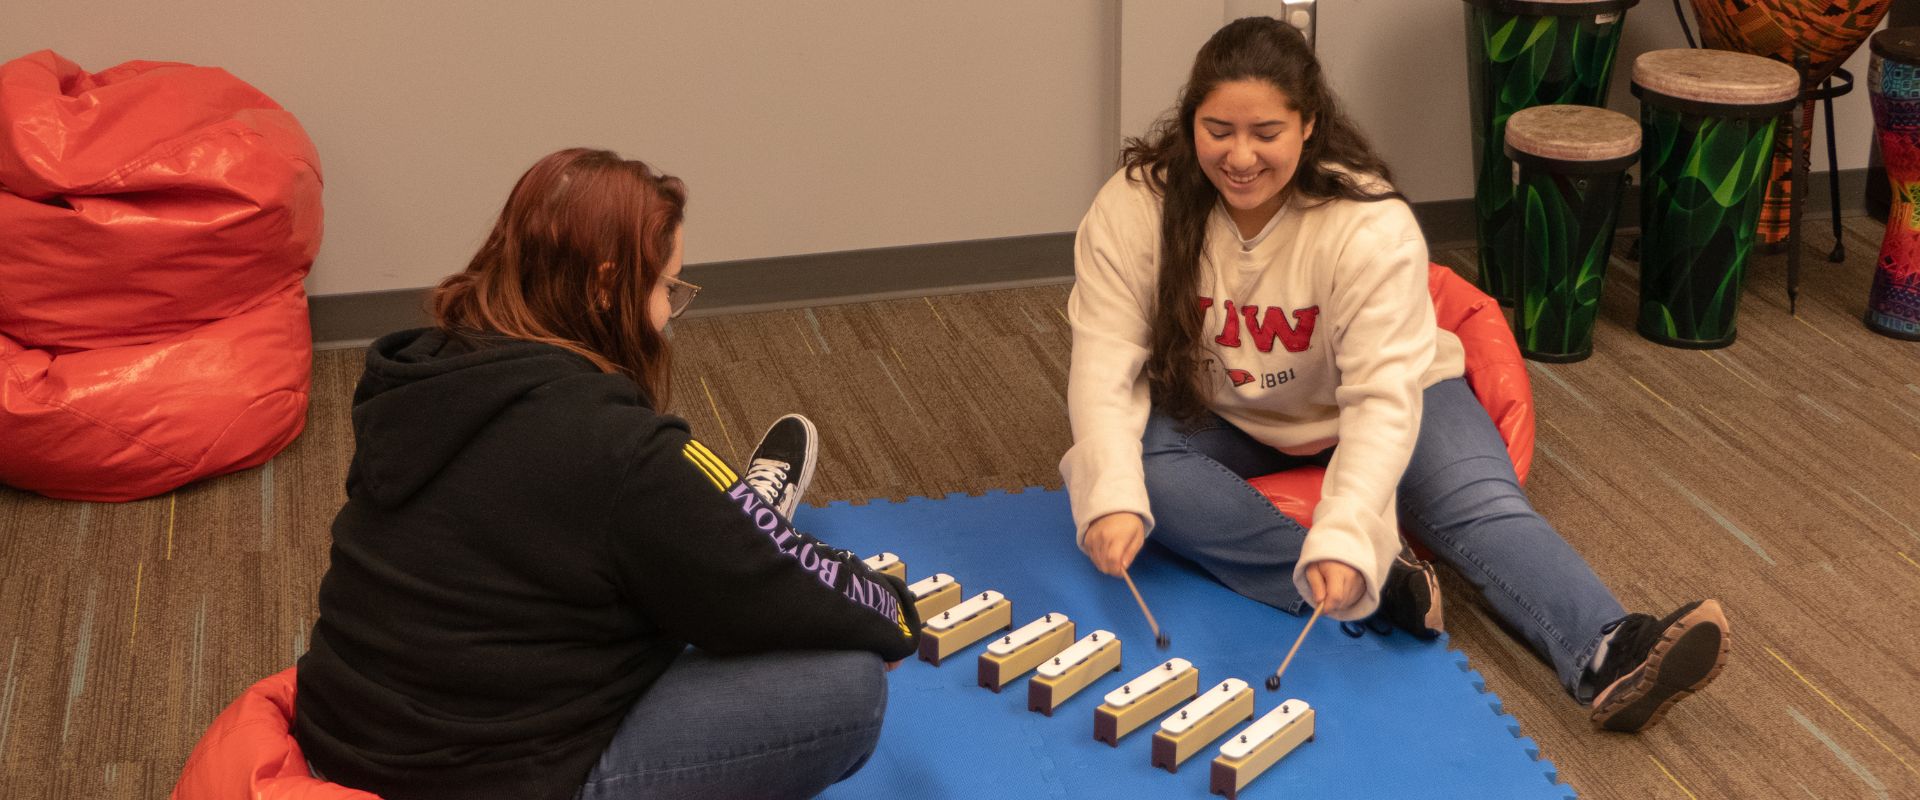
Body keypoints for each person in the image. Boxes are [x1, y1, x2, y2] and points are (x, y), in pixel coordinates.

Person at [1059, 18, 1727, 733]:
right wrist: (1113, 498)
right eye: (1218, 129)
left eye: (1266, 133)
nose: (1240, 156)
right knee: (1130, 468)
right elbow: (1102, 360)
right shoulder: (1137, 205)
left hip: (1401, 393)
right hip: (1233, 408)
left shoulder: (1366, 223)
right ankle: (1385, 587)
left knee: (1482, 506)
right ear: (1191, 119)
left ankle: (1607, 649)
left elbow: (1380, 400)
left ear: (1308, 124)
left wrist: (1349, 530)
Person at [292, 148, 918, 800]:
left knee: (648, 552)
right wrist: (891, 610)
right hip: (481, 775)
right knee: (849, 683)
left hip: (341, 731)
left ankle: (732, 522)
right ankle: (737, 522)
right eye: (665, 288)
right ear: (604, 285)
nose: (668, 312)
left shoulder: (418, 374)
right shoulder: (622, 451)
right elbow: (825, 602)